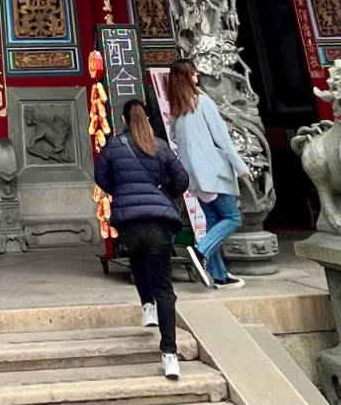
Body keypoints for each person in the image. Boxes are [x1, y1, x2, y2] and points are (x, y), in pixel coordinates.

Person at [93, 97, 190, 381]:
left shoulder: (114, 145)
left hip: (130, 218)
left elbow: (102, 177)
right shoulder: (159, 145)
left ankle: (147, 307)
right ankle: (169, 355)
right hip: (159, 219)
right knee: (166, 288)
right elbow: (181, 179)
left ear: (123, 119)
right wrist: (163, 192)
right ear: (147, 118)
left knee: (136, 257)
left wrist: (121, 191)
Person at [166, 58, 248, 290]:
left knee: (213, 220)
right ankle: (201, 252)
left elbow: (174, 138)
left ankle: (219, 275)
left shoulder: (177, 109)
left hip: (194, 177)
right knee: (232, 218)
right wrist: (240, 167)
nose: (197, 77)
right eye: (193, 74)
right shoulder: (202, 102)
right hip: (212, 173)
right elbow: (222, 139)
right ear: (187, 78)